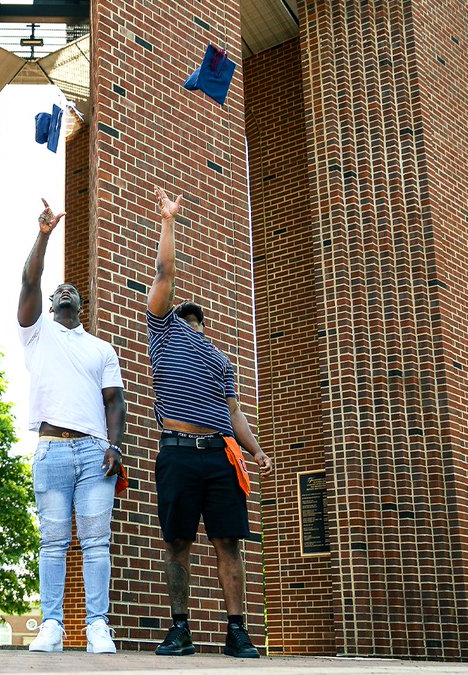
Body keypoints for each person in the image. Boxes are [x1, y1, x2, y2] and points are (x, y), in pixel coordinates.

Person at [144, 188, 273, 658]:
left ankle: (236, 630)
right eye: (183, 315)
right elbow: (164, 274)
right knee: (177, 542)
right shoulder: (162, 332)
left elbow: (234, 410)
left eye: (197, 319)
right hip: (177, 451)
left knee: (228, 543)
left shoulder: (221, 358)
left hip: (221, 455)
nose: (190, 320)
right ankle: (180, 629)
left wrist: (255, 449)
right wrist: (168, 220)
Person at [17, 198, 127, 654]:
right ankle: (52, 625)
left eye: (70, 290)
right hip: (50, 451)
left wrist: (115, 447)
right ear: (50, 302)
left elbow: (115, 401)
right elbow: (29, 279)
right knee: (54, 541)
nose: (62, 292)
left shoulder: (101, 348)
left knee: (97, 540)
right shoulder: (36, 332)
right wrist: (43, 233)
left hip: (93, 451)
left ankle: (98, 624)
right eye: (56, 290)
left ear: (82, 303)